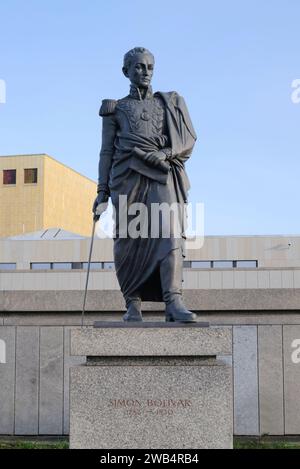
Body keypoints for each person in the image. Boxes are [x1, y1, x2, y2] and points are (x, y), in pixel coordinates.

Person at [93, 47, 197, 322]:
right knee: (129, 239)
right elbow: (106, 152)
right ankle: (132, 303)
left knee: (170, 232)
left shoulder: (169, 103)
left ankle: (173, 300)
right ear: (126, 71)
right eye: (138, 67)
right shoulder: (115, 109)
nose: (145, 72)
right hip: (127, 178)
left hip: (162, 174)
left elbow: (187, 140)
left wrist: (164, 154)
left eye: (149, 67)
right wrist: (101, 191)